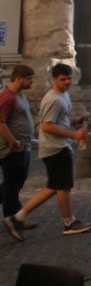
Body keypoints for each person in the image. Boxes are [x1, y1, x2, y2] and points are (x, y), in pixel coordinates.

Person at [4, 63, 91, 240]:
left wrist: (74, 121)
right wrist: (73, 134)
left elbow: (58, 120)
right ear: (54, 80)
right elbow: (46, 126)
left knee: (53, 187)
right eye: (62, 79)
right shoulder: (54, 99)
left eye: (69, 78)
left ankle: (18, 217)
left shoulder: (63, 95)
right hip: (55, 148)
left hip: (56, 146)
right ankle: (69, 223)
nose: (67, 82)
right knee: (63, 187)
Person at [0, 65, 36, 231]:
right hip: (14, 149)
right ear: (19, 78)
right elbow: (0, 122)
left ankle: (17, 217)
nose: (32, 82)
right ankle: (12, 219)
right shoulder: (8, 97)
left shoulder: (19, 95)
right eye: (29, 79)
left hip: (24, 146)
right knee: (11, 185)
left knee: (15, 183)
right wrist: (13, 142)